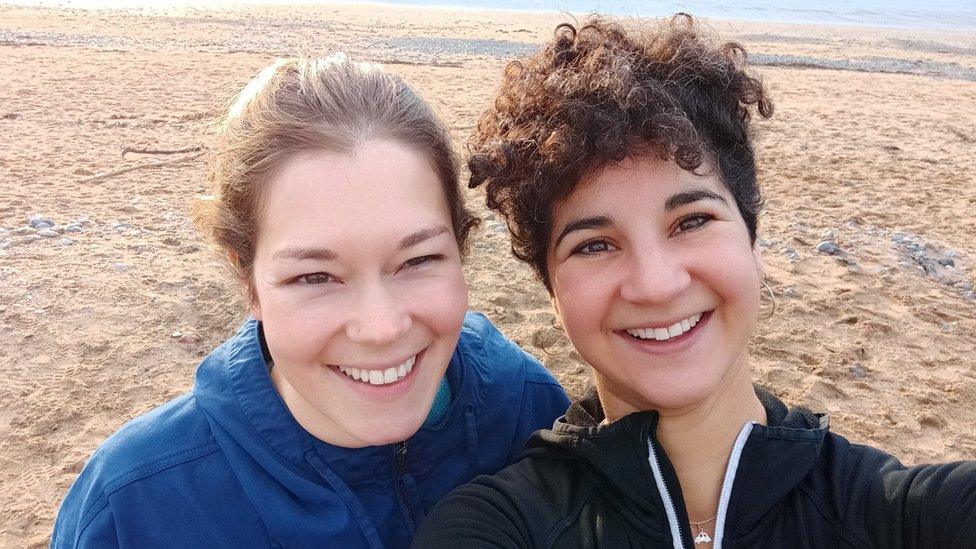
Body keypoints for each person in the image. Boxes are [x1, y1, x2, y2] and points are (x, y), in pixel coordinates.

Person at [412, 15, 976, 549]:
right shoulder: (496, 525)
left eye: (691, 221)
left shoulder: (904, 513)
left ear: (751, 241)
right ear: (553, 292)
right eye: (595, 244)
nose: (656, 285)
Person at [51, 54, 569, 549]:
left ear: (461, 247)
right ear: (247, 277)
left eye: (417, 261)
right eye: (315, 276)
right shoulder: (133, 509)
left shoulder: (529, 410)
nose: (381, 327)